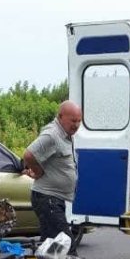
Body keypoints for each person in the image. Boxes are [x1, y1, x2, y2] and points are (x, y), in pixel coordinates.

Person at [22, 101, 82, 246]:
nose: (76, 125)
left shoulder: (66, 134)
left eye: (79, 121)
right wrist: (38, 171)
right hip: (47, 198)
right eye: (73, 121)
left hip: (54, 199)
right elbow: (29, 155)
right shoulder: (52, 135)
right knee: (64, 245)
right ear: (60, 117)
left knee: (50, 247)